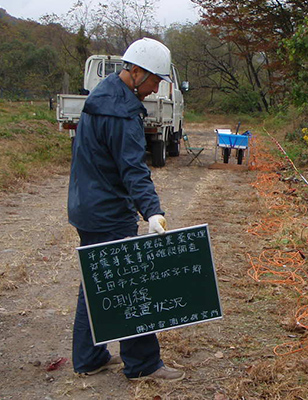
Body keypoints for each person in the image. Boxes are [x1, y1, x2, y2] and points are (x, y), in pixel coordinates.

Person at [67, 37, 184, 382]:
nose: (156, 88)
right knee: (134, 285)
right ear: (136, 71)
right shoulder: (122, 112)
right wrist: (153, 211)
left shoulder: (102, 93)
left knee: (96, 281)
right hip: (106, 212)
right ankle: (143, 364)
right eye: (155, 80)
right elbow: (134, 170)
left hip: (85, 205)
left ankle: (90, 358)